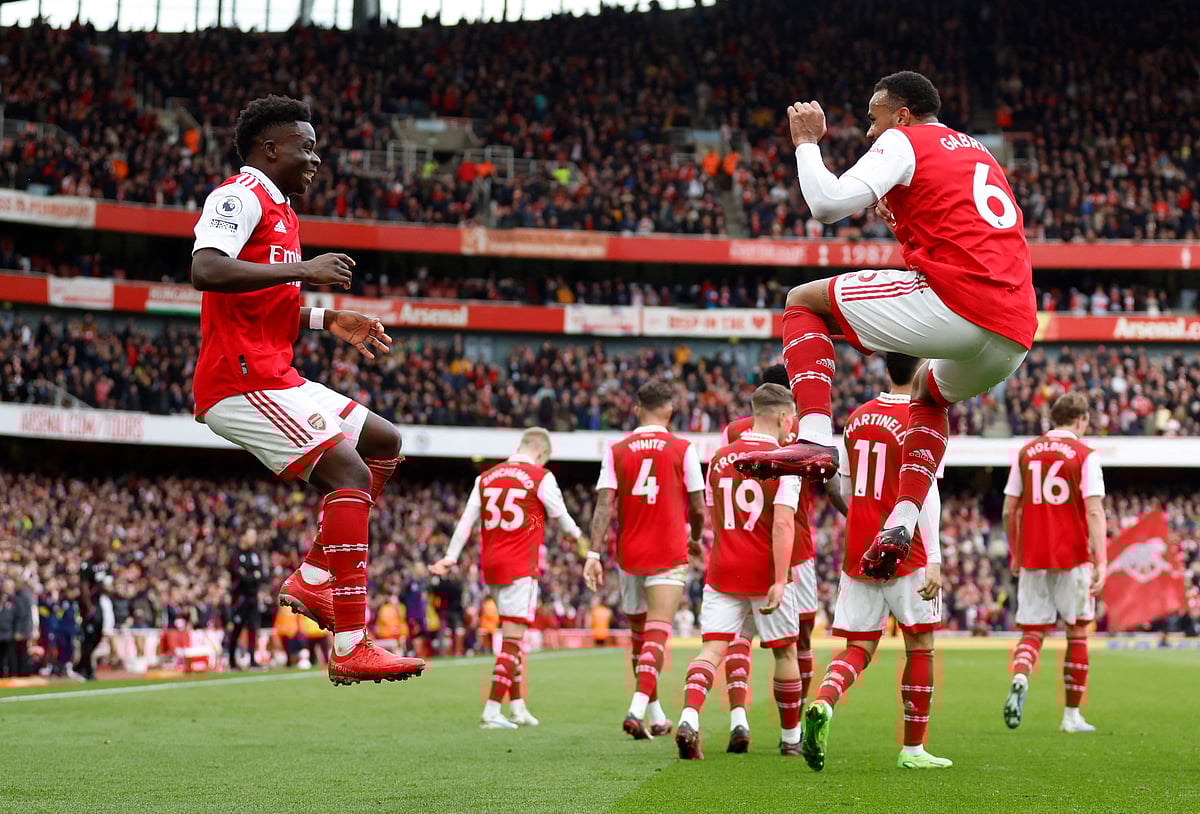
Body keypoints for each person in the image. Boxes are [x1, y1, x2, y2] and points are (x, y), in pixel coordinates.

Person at [738, 71, 1034, 583]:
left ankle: (811, 437)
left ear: (900, 114)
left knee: (802, 303)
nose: (871, 134)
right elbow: (963, 225)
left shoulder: (904, 138)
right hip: (1013, 330)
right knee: (925, 394)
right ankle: (902, 522)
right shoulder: (979, 153)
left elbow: (826, 204)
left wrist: (807, 143)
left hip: (958, 301)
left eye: (874, 120)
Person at [189, 94, 422, 686]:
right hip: (240, 378)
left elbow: (266, 305)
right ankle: (351, 642)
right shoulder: (238, 195)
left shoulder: (284, 211)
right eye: (306, 146)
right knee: (349, 473)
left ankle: (316, 579)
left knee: (383, 444)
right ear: (271, 148)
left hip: (274, 369)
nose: (316, 157)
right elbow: (207, 270)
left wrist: (325, 319)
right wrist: (303, 270)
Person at [803, 353, 951, 771]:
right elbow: (928, 494)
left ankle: (825, 702)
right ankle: (913, 749)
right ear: (922, 369)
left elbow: (844, 486)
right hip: (909, 550)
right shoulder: (926, 416)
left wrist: (866, 525)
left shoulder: (858, 416)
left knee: (859, 647)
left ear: (888, 368)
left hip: (861, 549)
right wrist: (935, 558)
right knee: (920, 644)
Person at [718, 364, 847, 753]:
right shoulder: (802, 431)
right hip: (795, 546)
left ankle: (738, 718)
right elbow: (832, 486)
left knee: (737, 635)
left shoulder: (733, 432)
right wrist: (859, 520)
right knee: (797, 640)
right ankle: (795, 725)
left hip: (740, 546)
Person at [674, 383, 804, 760]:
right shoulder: (785, 460)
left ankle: (689, 718)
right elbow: (783, 524)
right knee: (784, 653)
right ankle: (791, 738)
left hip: (724, 567)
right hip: (765, 570)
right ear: (782, 417)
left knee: (712, 649)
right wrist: (780, 578)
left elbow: (714, 514)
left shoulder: (718, 458)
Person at [431, 427, 584, 729]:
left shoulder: (485, 477)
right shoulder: (542, 477)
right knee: (513, 641)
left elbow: (466, 521)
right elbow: (563, 519)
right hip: (520, 566)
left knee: (514, 637)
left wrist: (451, 556)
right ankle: (491, 711)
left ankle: (517, 706)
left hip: (491, 566)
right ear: (540, 452)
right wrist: (581, 539)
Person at [585, 379, 706, 740]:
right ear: (669, 410)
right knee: (657, 632)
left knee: (640, 638)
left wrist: (593, 552)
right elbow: (699, 507)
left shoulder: (617, 449)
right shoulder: (683, 448)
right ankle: (637, 708)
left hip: (630, 552)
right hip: (668, 550)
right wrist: (696, 538)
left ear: (638, 408)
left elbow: (605, 504)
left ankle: (654, 714)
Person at [1001, 391, 1106, 733]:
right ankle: (1071, 716)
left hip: (1033, 555)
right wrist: (1101, 559)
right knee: (1077, 631)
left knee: (1033, 631)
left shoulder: (1025, 453)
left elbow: (1009, 510)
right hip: (1073, 555)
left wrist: (1016, 551)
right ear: (1081, 420)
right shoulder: (1085, 454)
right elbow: (1093, 509)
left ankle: (1020, 676)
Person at [227, 528, 265, 670]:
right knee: (236, 629)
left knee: (252, 628)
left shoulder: (255, 554)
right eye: (252, 535)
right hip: (239, 599)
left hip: (252, 597)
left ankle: (252, 660)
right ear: (243, 537)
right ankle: (231, 660)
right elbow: (239, 575)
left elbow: (260, 573)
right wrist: (252, 575)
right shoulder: (236, 555)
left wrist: (249, 575)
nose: (254, 538)